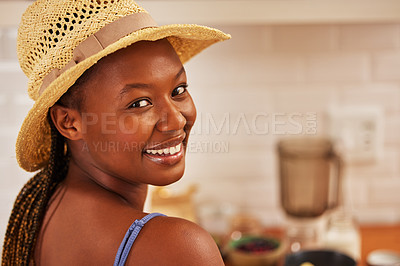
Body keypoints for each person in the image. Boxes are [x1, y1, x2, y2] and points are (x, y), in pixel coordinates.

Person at [1, 0, 230, 265]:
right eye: (139, 103)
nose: (176, 120)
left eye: (178, 90)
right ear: (69, 123)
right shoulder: (180, 249)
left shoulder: (39, 210)